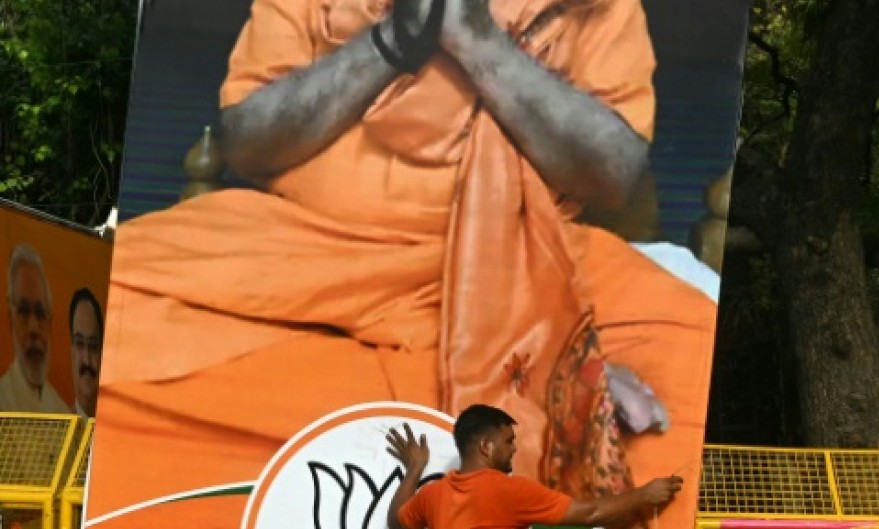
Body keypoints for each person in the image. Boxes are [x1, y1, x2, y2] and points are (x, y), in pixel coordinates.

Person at [85, 0, 717, 526]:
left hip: (530, 253)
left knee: (686, 373)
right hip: (301, 241)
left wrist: (475, 40)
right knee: (115, 313)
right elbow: (245, 142)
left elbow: (615, 173)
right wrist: (390, 41)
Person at [387, 405, 683, 529]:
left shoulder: (434, 495)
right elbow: (589, 513)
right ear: (486, 447)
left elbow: (396, 522)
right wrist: (644, 495)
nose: (514, 448)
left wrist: (414, 468)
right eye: (508, 441)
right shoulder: (510, 490)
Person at [1, 243, 69, 413]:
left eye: (40, 313)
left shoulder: (62, 413)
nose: (33, 329)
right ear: (11, 320)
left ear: (50, 324)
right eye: (23, 311)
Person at [69, 288, 103, 418]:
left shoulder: (121, 432)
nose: (87, 360)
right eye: (79, 344)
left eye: (93, 346)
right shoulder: (60, 434)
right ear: (71, 351)